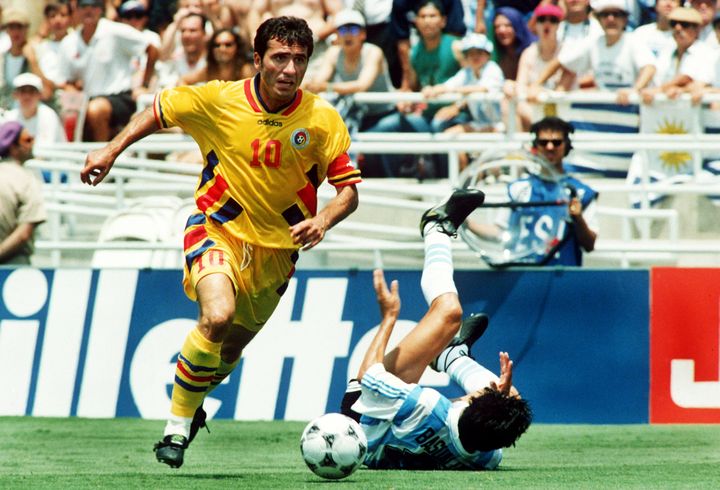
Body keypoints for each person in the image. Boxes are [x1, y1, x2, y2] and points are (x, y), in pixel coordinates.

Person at [79, 16, 361, 469]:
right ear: (257, 60)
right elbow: (158, 108)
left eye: (299, 60)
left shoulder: (322, 119)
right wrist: (111, 149)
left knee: (229, 350)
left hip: (276, 252)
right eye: (280, 58)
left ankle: (190, 408)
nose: (289, 69)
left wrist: (324, 219)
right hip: (216, 228)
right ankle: (175, 428)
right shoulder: (220, 98)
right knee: (217, 315)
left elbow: (348, 190)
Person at [339, 188, 532, 470]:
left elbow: (367, 378)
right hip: (400, 435)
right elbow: (475, 418)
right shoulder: (487, 456)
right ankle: (452, 357)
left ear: (467, 404)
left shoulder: (425, 404)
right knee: (509, 401)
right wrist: (494, 396)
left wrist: (388, 318)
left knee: (449, 313)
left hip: (360, 418)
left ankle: (436, 228)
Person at [469, 116, 599, 266]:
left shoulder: (581, 191)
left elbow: (589, 245)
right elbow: (500, 233)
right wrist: (466, 223)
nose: (550, 147)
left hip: (562, 274)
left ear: (567, 146)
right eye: (543, 142)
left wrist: (578, 218)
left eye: (556, 142)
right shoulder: (519, 188)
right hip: (521, 272)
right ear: (535, 146)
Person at [58, 0, 159, 141]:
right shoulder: (68, 42)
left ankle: (104, 157)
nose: (89, 11)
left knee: (96, 109)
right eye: (84, 6)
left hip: (121, 98)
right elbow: (67, 81)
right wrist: (73, 93)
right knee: (70, 112)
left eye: (93, 6)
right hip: (86, 101)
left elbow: (152, 49)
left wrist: (144, 85)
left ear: (101, 10)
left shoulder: (114, 31)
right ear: (76, 10)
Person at [533, 0, 656, 105]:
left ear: (624, 20)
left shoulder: (633, 41)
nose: (610, 19)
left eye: (616, 14)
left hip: (629, 107)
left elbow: (649, 68)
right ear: (599, 19)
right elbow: (559, 62)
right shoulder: (593, 43)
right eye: (605, 15)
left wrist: (634, 90)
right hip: (602, 107)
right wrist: (536, 85)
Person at [304, 9, 395, 134]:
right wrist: (310, 85)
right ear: (336, 35)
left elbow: (362, 85)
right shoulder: (333, 53)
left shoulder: (373, 52)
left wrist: (327, 87)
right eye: (342, 30)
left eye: (353, 30)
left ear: (363, 34)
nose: (347, 35)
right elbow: (318, 82)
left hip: (382, 115)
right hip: (354, 115)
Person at [641, 6, 714, 104]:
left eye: (685, 24)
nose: (678, 28)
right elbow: (656, 77)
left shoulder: (706, 52)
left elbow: (686, 79)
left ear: (698, 29)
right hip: (664, 111)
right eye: (673, 23)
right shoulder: (667, 50)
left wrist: (659, 90)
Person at [0, 121, 47, 265]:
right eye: (27, 139)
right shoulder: (27, 180)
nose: (32, 143)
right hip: (14, 265)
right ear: (13, 147)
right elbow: (24, 234)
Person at [179, 28, 254, 85]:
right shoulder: (210, 71)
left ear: (237, 47)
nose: (222, 49)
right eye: (217, 45)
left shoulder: (245, 71)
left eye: (228, 45)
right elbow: (183, 80)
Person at [491, 6, 536, 81]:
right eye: (497, 27)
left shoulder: (533, 50)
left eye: (507, 25)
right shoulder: (496, 54)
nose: (501, 30)